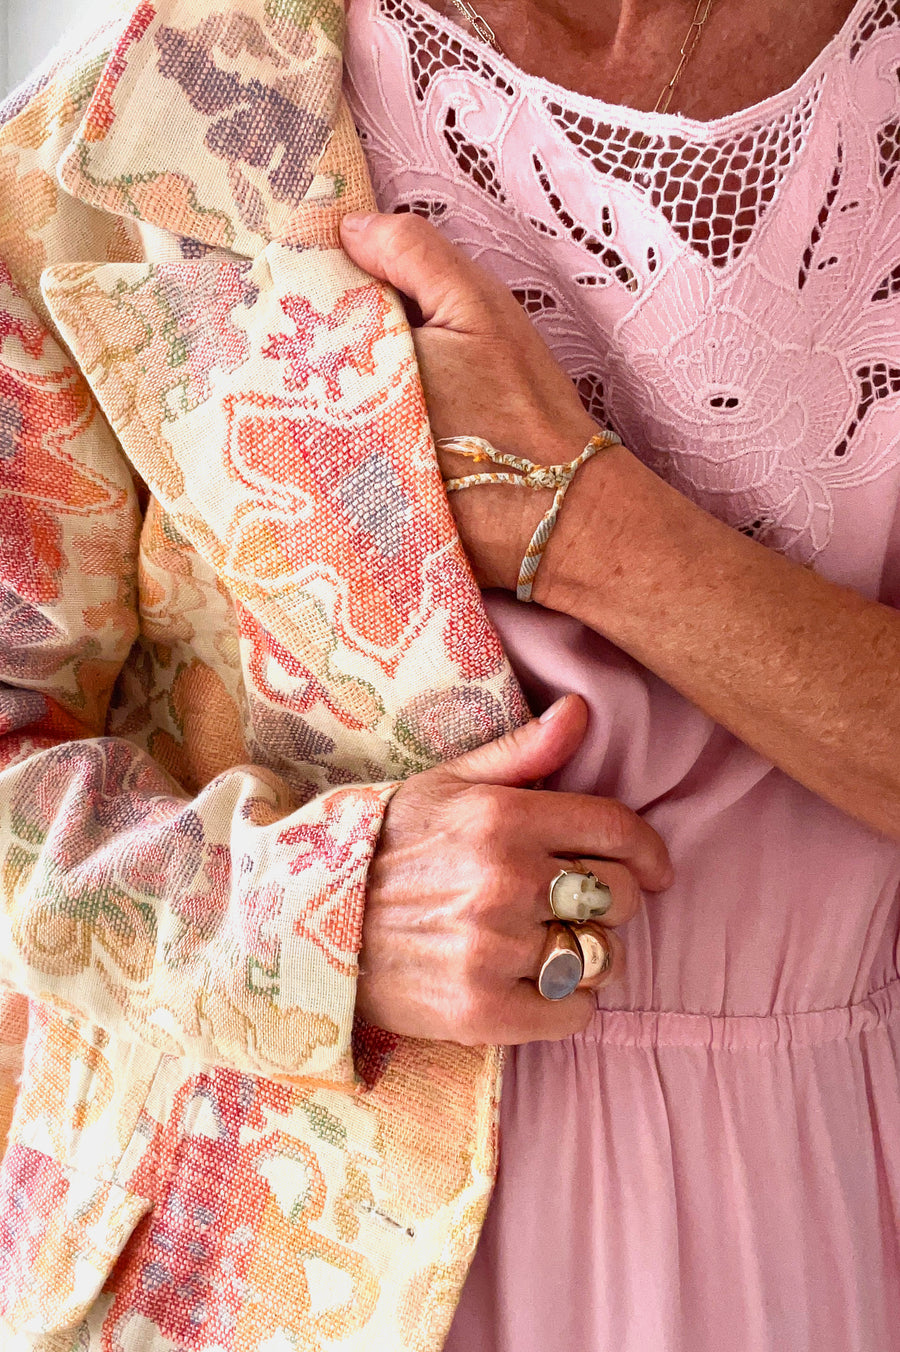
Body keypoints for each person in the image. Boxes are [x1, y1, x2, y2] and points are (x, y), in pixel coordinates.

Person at [0, 0, 897, 1350]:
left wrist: (585, 524)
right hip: (287, 1250)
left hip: (838, 1205)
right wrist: (309, 919)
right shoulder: (125, 128)